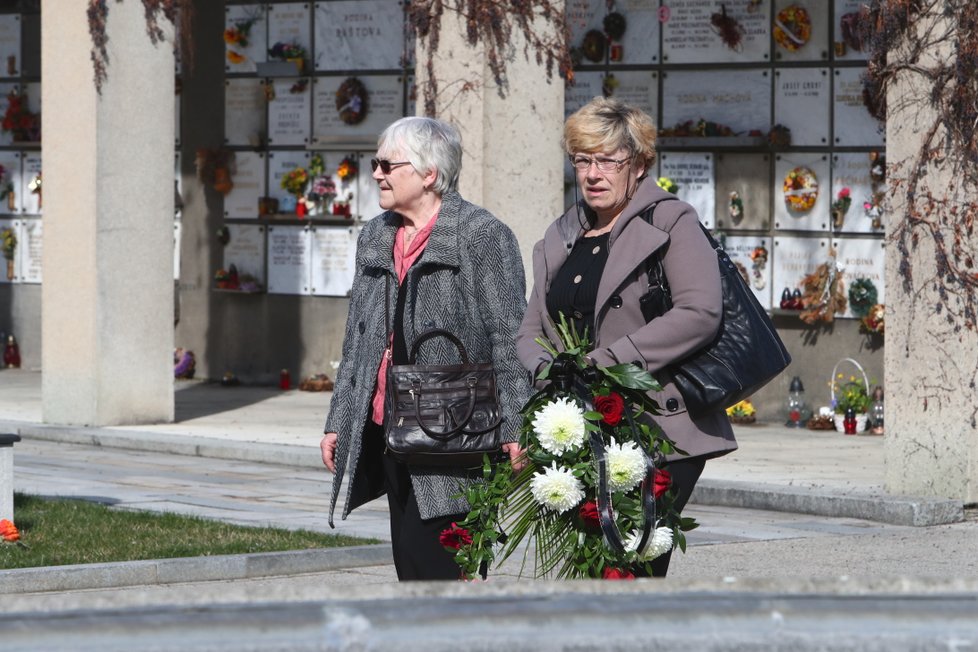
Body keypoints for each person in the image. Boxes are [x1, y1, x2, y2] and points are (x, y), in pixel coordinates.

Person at [516, 96, 737, 577]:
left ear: (638, 166)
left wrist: (608, 363)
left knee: (630, 567)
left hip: (657, 427)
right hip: (580, 425)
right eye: (582, 159)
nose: (593, 173)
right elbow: (531, 328)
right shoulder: (562, 234)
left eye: (607, 161)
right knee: (591, 568)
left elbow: (700, 311)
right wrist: (551, 374)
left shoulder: (670, 221)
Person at [320, 116, 530, 581]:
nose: (376, 174)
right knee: (411, 566)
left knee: (441, 567)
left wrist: (516, 427)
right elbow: (358, 338)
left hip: (453, 432)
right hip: (387, 429)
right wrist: (339, 422)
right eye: (376, 164)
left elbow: (509, 338)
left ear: (429, 174)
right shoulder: (376, 234)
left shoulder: (481, 235)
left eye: (387, 165)